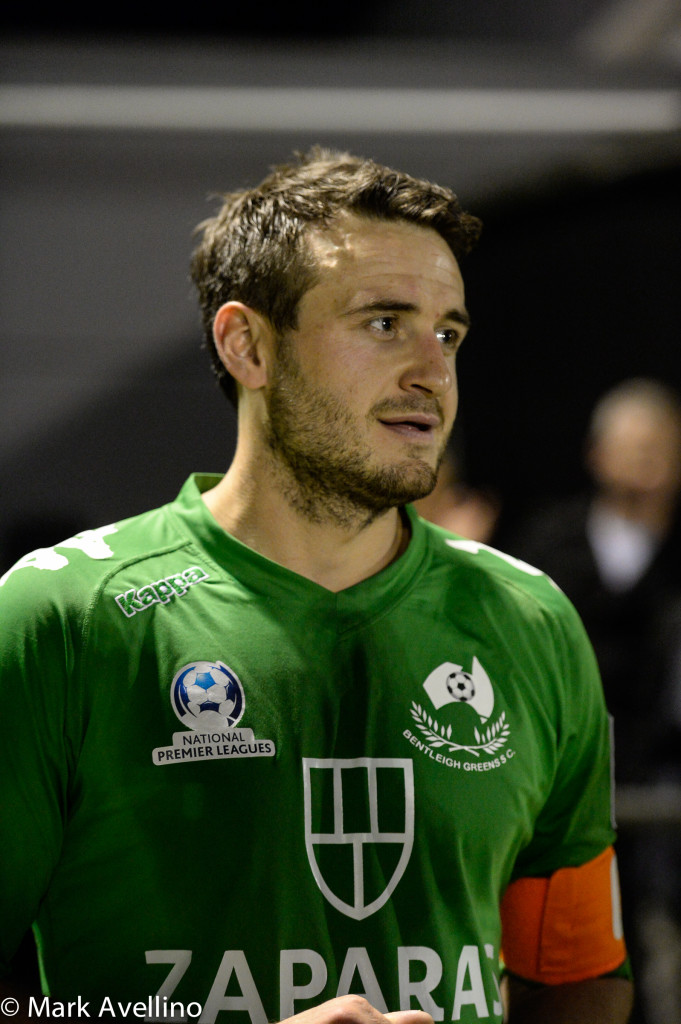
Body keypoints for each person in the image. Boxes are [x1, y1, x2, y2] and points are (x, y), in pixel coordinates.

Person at [0, 148, 633, 1024]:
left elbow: (573, 980)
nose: (432, 372)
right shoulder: (58, 617)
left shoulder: (528, 618)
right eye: (383, 323)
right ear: (246, 344)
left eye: (447, 332)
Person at [506, 378, 681, 1024]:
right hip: (566, 784)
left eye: (659, 446)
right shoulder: (542, 550)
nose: (644, 460)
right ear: (595, 454)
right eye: (629, 446)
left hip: (662, 794)